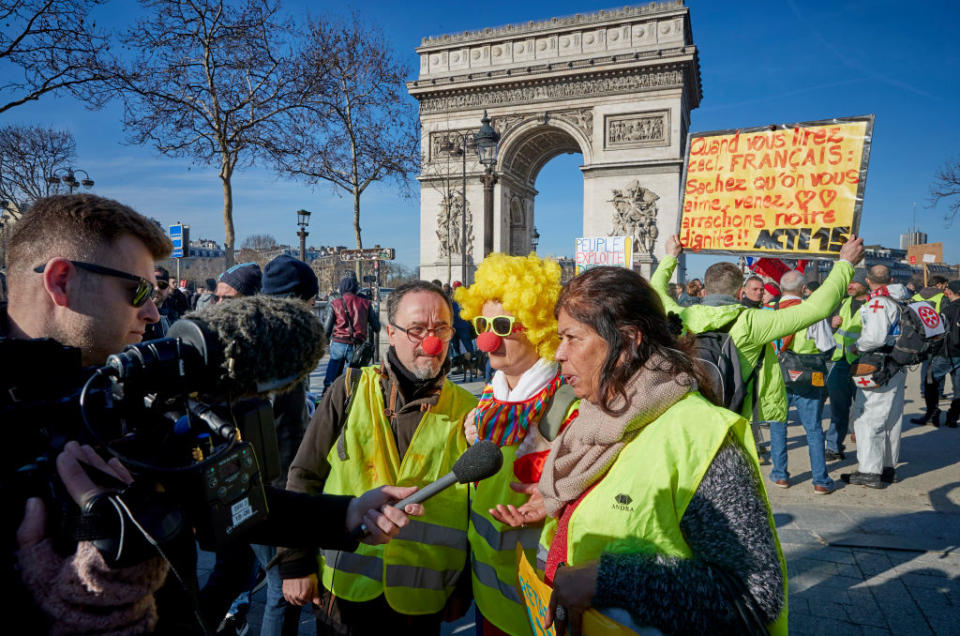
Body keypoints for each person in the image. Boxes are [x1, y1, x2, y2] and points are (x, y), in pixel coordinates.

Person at [2, 194, 425, 634]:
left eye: (157, 292)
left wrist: (346, 514)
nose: (152, 312)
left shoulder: (117, 386)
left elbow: (216, 497)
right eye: (138, 291)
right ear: (61, 281)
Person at [539, 266, 787, 634]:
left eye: (572, 338)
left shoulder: (699, 432)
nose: (558, 353)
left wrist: (610, 580)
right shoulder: (593, 412)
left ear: (627, 341)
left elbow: (754, 592)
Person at [280, 280, 477, 636]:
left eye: (441, 330)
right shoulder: (348, 388)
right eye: (416, 329)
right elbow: (303, 476)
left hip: (423, 597)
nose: (430, 342)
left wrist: (463, 587)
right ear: (391, 332)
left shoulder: (471, 411)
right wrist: (295, 564)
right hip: (344, 593)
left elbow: (473, 510)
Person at [454, 254, 576, 636]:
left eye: (503, 325)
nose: (487, 337)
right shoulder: (490, 396)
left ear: (538, 329)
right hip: (487, 587)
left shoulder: (567, 402)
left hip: (539, 593)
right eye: (483, 323)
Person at [652, 233, 865, 453]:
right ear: (739, 292)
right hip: (733, 418)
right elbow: (816, 309)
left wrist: (670, 256)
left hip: (690, 412)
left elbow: (656, 290)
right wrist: (845, 263)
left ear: (706, 289)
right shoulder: (752, 321)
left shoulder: (681, 317)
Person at [217, 254, 324, 636]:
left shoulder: (241, 336)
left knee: (232, 574)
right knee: (282, 590)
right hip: (270, 486)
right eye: (312, 302)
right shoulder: (280, 347)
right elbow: (283, 433)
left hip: (236, 480)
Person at [768, 270, 837, 494]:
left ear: (780, 288)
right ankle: (820, 480)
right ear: (803, 288)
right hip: (807, 374)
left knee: (778, 425)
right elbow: (827, 346)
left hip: (777, 374)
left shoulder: (768, 311)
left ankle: (780, 475)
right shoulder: (812, 311)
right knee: (814, 428)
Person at [842, 267, 909, 488]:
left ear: (869, 280)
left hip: (878, 365)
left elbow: (874, 337)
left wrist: (855, 346)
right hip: (898, 364)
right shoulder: (902, 300)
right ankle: (887, 467)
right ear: (891, 279)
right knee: (892, 419)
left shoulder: (878, 303)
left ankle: (870, 471)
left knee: (869, 418)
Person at [825, 268, 870, 460]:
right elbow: (825, 330)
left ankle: (866, 450)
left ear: (865, 283)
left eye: (854, 282)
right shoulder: (842, 303)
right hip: (839, 362)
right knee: (838, 408)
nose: (849, 285)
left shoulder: (873, 306)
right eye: (848, 282)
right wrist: (831, 323)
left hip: (863, 364)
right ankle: (833, 447)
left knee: (864, 409)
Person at [912, 279, 960, 428]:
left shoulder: (946, 309)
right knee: (959, 388)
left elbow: (937, 332)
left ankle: (932, 414)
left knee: (931, 383)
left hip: (944, 353)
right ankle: (953, 416)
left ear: (949, 292)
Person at [322, 271, 378, 390]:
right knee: (354, 381)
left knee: (331, 378)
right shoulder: (365, 303)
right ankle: (351, 400)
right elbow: (377, 327)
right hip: (357, 345)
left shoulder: (335, 302)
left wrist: (325, 340)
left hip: (338, 343)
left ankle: (328, 398)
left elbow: (326, 328)